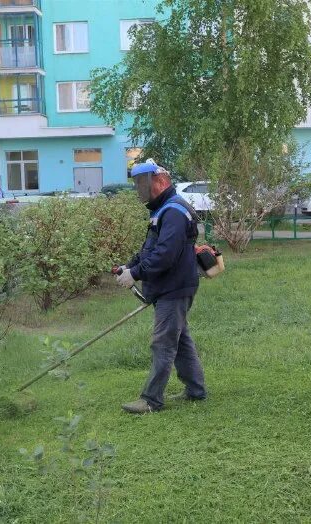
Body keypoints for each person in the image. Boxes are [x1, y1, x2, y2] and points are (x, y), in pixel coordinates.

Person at [116, 160, 207, 413]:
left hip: (174, 288)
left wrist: (136, 273)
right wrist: (129, 266)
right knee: (181, 340)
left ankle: (151, 400)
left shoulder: (174, 211)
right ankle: (196, 389)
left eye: (143, 183)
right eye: (137, 183)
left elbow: (165, 255)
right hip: (171, 286)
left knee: (163, 343)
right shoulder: (162, 210)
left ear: (162, 181)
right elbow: (151, 248)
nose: (140, 188)